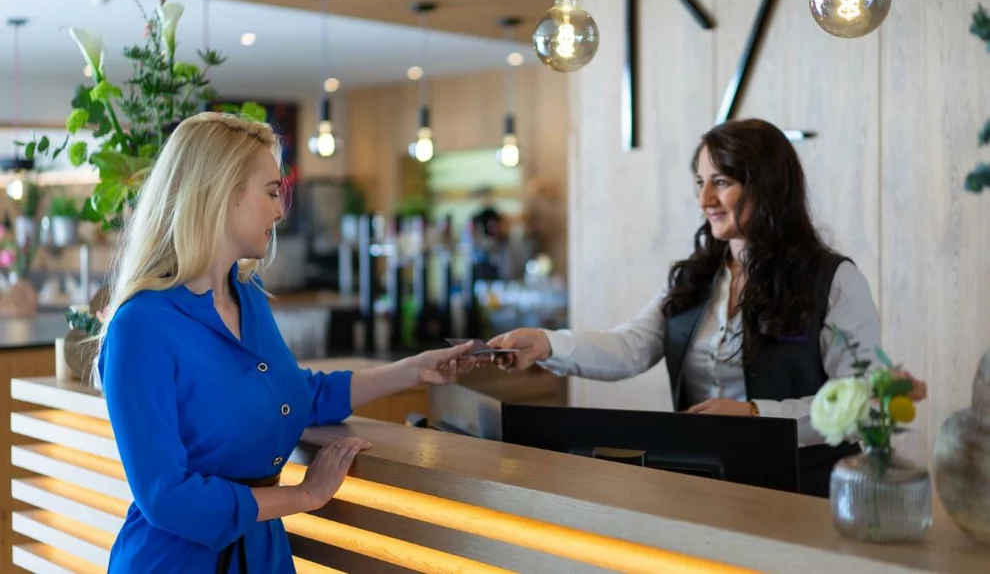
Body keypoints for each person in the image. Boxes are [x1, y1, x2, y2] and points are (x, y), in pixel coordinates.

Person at [96, 112, 477, 573]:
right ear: (222, 193)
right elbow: (165, 496)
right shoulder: (141, 326)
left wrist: (414, 370)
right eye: (272, 192)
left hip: (262, 554)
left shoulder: (248, 296)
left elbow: (293, 395)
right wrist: (305, 495)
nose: (280, 212)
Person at [486, 118, 927, 497]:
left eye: (721, 182)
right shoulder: (696, 279)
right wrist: (547, 344)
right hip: (702, 485)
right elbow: (630, 347)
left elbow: (862, 402)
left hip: (803, 491)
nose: (704, 201)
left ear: (767, 186)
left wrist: (756, 416)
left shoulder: (833, 280)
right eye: (701, 183)